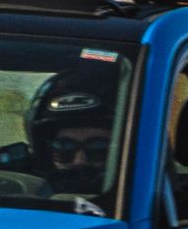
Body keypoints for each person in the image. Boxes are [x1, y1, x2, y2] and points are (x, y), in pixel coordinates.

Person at [23, 64, 119, 199]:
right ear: (45, 152)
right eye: (64, 148)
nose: (79, 161)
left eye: (98, 149)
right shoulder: (22, 193)